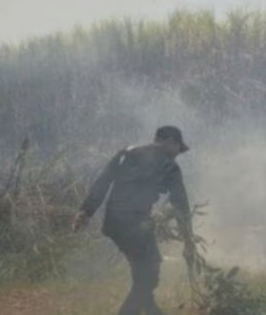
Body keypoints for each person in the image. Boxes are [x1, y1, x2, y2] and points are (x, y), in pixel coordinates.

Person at [72, 126, 195, 315]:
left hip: (113, 223)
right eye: (178, 148)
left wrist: (85, 212)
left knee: (143, 275)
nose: (178, 154)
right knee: (149, 275)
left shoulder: (126, 153)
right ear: (170, 141)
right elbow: (181, 205)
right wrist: (188, 241)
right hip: (136, 224)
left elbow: (103, 182)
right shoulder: (169, 165)